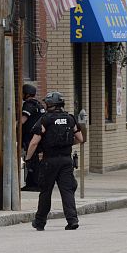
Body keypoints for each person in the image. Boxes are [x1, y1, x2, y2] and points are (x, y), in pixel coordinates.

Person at [25, 92, 83, 231]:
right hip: (66, 160)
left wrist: (28, 158)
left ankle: (40, 222)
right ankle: (72, 220)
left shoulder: (46, 119)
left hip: (49, 160)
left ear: (50, 104)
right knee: (67, 191)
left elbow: (34, 142)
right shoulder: (70, 118)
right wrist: (67, 144)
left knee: (46, 191)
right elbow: (80, 138)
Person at [20, 84, 45, 192]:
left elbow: (22, 120)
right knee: (34, 160)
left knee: (31, 161)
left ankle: (35, 183)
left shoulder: (29, 105)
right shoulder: (39, 105)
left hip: (31, 137)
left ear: (27, 94)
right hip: (39, 136)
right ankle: (30, 182)